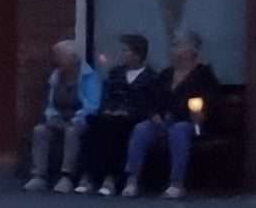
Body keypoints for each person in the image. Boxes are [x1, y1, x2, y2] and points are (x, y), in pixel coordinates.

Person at [123, 31, 224, 200]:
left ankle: (177, 183)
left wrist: (200, 112)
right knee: (141, 129)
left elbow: (211, 102)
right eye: (173, 46)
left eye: (178, 45)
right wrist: (154, 114)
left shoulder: (203, 75)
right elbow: (152, 99)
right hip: (163, 121)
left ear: (191, 51)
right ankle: (132, 181)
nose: (173, 50)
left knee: (179, 130)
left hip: (191, 123)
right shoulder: (166, 74)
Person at [79, 34, 157, 196]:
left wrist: (127, 112)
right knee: (94, 124)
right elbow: (108, 96)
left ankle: (110, 178)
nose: (121, 54)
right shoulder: (115, 73)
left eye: (125, 50)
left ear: (137, 54)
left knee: (115, 129)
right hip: (113, 114)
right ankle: (88, 176)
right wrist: (108, 109)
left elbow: (150, 103)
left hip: (134, 117)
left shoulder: (151, 77)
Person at [25, 39, 100, 192]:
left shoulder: (89, 77)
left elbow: (92, 105)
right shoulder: (55, 76)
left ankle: (67, 177)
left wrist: (76, 119)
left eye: (59, 56)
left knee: (72, 131)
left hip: (81, 120)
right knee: (40, 131)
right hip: (59, 118)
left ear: (73, 58)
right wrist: (52, 117)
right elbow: (50, 104)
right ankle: (39, 175)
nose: (56, 60)